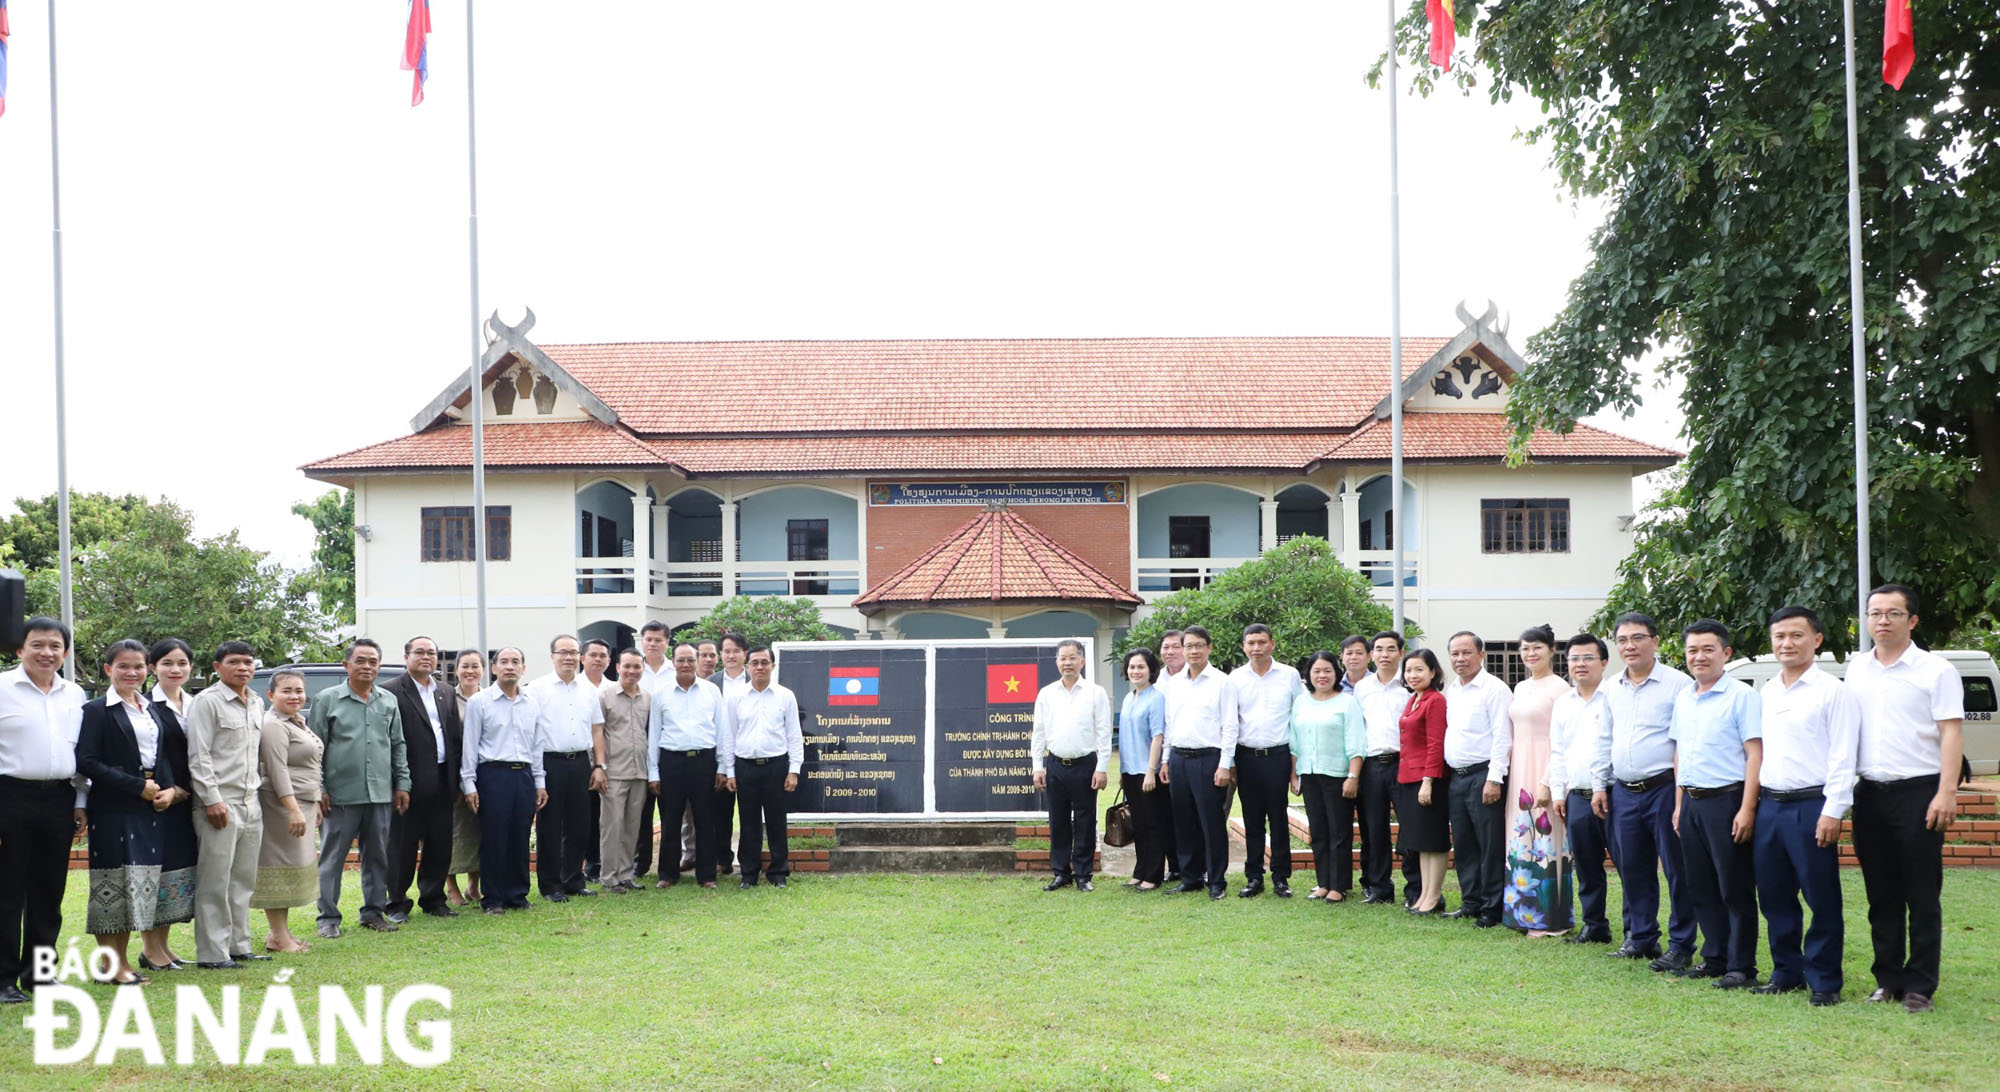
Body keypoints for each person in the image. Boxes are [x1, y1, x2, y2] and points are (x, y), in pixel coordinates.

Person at [1846, 583, 1965, 1013]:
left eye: (1893, 613)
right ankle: (1888, 979)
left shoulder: (1936, 670)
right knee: (1881, 895)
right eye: (1874, 613)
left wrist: (1946, 792)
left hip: (1919, 792)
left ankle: (1920, 986)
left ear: (1911, 620)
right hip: (1870, 794)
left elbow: (1952, 731)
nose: (1882, 621)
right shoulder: (1857, 669)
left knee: (1921, 893)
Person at [1751, 606, 1858, 1007]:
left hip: (1813, 805)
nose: (1787, 643)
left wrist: (1834, 810)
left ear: (1816, 640)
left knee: (1820, 895)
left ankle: (1825, 980)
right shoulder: (1768, 690)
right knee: (1775, 895)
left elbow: (1844, 756)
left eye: (1796, 635)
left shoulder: (1832, 691)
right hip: (1770, 807)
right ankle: (1786, 971)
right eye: (1780, 636)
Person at [1597, 611, 1696, 970]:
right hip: (1623, 790)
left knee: (1677, 869)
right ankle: (1641, 938)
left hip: (1664, 788)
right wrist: (1600, 785)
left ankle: (1682, 943)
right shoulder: (1611, 687)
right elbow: (1604, 738)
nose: (1629, 646)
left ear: (1654, 642)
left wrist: (1681, 794)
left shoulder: (1679, 684)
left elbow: (1686, 741)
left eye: (1637, 638)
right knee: (1632, 867)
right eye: (1622, 640)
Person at [1668, 619, 1764, 988]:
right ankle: (1713, 957)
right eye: (1692, 650)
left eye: (1708, 649)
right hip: (1691, 802)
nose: (1699, 656)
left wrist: (1747, 808)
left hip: (1728, 800)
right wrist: (1678, 805)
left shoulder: (1742, 696)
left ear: (1726, 653)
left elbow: (1754, 753)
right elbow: (1679, 753)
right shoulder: (1684, 697)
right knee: (1701, 886)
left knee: (1734, 888)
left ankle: (1741, 967)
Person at [76, 639, 175, 985]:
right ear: (108, 669)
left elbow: (161, 756)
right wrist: (136, 786)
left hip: (150, 805)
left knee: (136, 886)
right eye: (123, 666)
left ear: (147, 669)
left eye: (138, 666)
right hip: (113, 806)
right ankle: (111, 965)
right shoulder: (97, 710)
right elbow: (86, 761)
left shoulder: (151, 709)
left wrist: (168, 789)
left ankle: (121, 962)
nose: (131, 673)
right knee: (111, 887)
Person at [0, 618, 88, 1002]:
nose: (46, 652)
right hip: (9, 796)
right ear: (20, 649)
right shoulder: (2, 688)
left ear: (65, 653)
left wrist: (81, 802)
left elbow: (81, 755)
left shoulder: (75, 694)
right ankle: (3, 979)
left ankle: (39, 976)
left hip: (59, 799)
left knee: (49, 891)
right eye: (37, 644)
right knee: (7, 892)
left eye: (55, 646)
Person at [309, 638, 411, 938]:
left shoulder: (388, 701)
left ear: (379, 666)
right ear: (346, 665)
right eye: (361, 660)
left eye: (373, 661)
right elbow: (316, 748)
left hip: (380, 792)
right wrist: (320, 788)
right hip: (339, 795)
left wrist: (402, 783)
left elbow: (398, 745)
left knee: (378, 856)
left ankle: (373, 912)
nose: (367, 666)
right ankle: (328, 918)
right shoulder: (327, 699)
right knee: (332, 858)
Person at [185, 640, 267, 968]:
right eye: (234, 662)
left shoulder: (257, 702)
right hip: (220, 804)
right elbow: (199, 754)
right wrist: (212, 799)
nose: (243, 668)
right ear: (217, 667)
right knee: (215, 882)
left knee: (243, 881)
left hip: (251, 802)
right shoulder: (208, 702)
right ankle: (212, 954)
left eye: (248, 662)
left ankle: (239, 946)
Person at [460, 648, 545, 913]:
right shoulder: (480, 701)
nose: (510, 666)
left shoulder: (531, 703)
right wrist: (469, 784)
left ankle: (517, 895)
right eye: (504, 662)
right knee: (495, 838)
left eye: (515, 662)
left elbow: (536, 745)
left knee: (520, 836)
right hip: (492, 775)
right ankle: (493, 898)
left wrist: (539, 782)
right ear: (494, 668)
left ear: (524, 668)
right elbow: (470, 746)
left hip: (524, 776)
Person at [1542, 634, 1614, 944]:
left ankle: (1638, 932)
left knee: (1629, 865)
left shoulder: (1614, 697)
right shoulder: (1563, 704)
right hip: (1576, 796)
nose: (1580, 664)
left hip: (1614, 794)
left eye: (1588, 658)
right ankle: (1594, 925)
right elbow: (1558, 751)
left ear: (1604, 662)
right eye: (1574, 659)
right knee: (1586, 865)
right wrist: (1559, 792)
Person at [1502, 624, 1573, 936]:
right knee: (1521, 838)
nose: (1530, 654)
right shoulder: (1520, 687)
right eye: (1525, 648)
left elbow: (1564, 740)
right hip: (1520, 768)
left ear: (1552, 651)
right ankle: (1522, 914)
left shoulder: (1561, 689)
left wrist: (1548, 781)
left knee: (1545, 841)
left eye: (1537, 648)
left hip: (1544, 768)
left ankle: (1550, 920)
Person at [385, 636, 461, 922]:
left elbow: (453, 737)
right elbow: (389, 742)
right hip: (409, 782)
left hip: (443, 779)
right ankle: (396, 903)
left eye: (432, 652)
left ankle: (433, 899)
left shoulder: (445, 691)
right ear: (406, 657)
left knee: (440, 843)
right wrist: (396, 783)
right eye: (420, 652)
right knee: (402, 845)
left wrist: (456, 781)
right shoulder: (391, 691)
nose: (426, 657)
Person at [1160, 625, 1238, 900]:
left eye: (1198, 645)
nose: (1193, 651)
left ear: (1209, 648)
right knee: (1183, 822)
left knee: (1211, 823)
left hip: (1209, 759)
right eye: (1188, 646)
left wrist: (1224, 764)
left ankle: (1216, 880)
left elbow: (1230, 726)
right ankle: (1190, 877)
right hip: (1179, 758)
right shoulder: (1174, 683)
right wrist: (1166, 760)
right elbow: (1170, 724)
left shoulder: (1221, 681)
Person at [1441, 631, 1513, 927]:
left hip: (1484, 775)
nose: (1460, 659)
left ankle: (1491, 908)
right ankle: (1470, 901)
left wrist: (1494, 779)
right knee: (1465, 844)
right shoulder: (1452, 689)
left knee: (1489, 844)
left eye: (1466, 652)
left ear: (1481, 655)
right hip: (1456, 778)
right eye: (1455, 653)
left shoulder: (1494, 689)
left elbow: (1502, 737)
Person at [1031, 639, 1113, 893]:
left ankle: (1083, 875)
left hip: (1085, 765)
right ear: (1057, 662)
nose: (1067, 663)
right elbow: (1039, 732)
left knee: (1085, 821)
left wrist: (1101, 767)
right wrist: (1037, 766)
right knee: (1058, 821)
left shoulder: (1095, 692)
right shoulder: (1046, 693)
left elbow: (1103, 732)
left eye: (1072, 658)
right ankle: (1060, 873)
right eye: (1063, 658)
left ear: (1082, 661)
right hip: (1055, 765)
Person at [250, 670, 323, 954]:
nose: (294, 696)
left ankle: (281, 934)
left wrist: (313, 803)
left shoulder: (297, 722)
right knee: (278, 868)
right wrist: (293, 809)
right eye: (287, 691)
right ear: (271, 695)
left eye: (299, 691)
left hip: (303, 802)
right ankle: (278, 936)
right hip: (281, 805)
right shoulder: (273, 724)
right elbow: (277, 769)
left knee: (292, 867)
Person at [1229, 623, 1303, 898]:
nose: (1256, 648)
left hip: (1278, 756)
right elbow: (1231, 720)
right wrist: (1231, 762)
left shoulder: (1289, 675)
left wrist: (1295, 768)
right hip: (1246, 756)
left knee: (1278, 817)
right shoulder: (1235, 678)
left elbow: (1297, 719)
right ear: (1244, 646)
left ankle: (1281, 877)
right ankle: (1254, 876)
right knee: (1252, 819)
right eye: (1251, 643)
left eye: (1262, 642)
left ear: (1272, 643)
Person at [721, 646, 803, 889]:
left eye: (764, 662)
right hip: (745, 767)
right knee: (748, 822)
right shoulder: (736, 697)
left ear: (773, 666)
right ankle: (749, 874)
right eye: (754, 663)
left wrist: (794, 769)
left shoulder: (785, 696)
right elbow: (729, 736)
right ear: (747, 666)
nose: (759, 667)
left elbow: (794, 735)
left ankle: (778, 872)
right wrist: (731, 771)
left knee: (777, 821)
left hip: (776, 766)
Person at [530, 635, 605, 901]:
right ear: (552, 656)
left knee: (580, 825)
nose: (569, 657)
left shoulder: (588, 690)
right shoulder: (537, 689)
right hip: (550, 763)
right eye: (563, 652)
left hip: (581, 763)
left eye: (574, 652)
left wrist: (599, 765)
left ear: (580, 657)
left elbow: (597, 728)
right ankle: (550, 885)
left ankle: (574, 879)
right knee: (549, 827)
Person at [139, 637, 199, 971]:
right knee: (157, 873)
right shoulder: (145, 706)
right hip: (158, 801)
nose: (175, 669)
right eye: (167, 663)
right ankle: (150, 948)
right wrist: (171, 789)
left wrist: (186, 789)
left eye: (181, 663)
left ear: (191, 667)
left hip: (189, 800)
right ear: (153, 668)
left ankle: (164, 945)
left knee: (178, 872)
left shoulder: (196, 704)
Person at [649, 643, 726, 890]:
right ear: (673, 662)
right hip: (671, 761)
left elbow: (721, 730)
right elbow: (654, 734)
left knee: (705, 819)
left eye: (690, 660)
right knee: (670, 819)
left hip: (704, 760)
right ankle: (668, 874)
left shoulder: (711, 691)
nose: (685, 665)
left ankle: (706, 875)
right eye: (681, 660)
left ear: (697, 661)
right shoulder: (661, 693)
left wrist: (722, 767)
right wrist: (653, 771)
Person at [1290, 650, 1363, 902]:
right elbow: (1294, 742)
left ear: (1336, 672)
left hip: (1338, 775)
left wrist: (1353, 776)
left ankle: (1339, 885)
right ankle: (1323, 882)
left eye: (1327, 670)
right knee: (1319, 831)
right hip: (1309, 774)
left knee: (1339, 832)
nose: (1322, 675)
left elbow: (1356, 742)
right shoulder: (1301, 702)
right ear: (1309, 674)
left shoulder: (1347, 702)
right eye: (1317, 671)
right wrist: (1294, 774)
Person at [1354, 630, 1414, 906]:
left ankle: (1415, 888)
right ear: (1371, 655)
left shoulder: (1410, 686)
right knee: (1374, 829)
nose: (1384, 655)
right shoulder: (1362, 688)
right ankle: (1380, 887)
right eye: (1379, 649)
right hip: (1372, 766)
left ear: (1401, 653)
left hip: (1405, 765)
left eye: (1391, 649)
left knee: (1411, 827)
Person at [1396, 648, 1451, 915]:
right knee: (1420, 841)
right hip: (1408, 778)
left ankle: (1434, 896)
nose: (1413, 675)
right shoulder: (1414, 700)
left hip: (1428, 780)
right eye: (1408, 670)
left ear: (1433, 672)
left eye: (1419, 669)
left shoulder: (1435, 700)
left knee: (1433, 839)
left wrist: (1428, 780)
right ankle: (1424, 895)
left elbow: (1435, 743)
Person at [596, 649, 654, 893]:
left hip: (639, 772)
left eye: (637, 667)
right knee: (612, 827)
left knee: (633, 826)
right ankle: (609, 877)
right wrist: (599, 767)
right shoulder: (604, 696)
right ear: (617, 667)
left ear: (643, 669)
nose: (632, 671)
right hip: (614, 772)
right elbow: (596, 732)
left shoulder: (648, 698)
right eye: (627, 666)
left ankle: (626, 874)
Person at [1116, 649, 1169, 891]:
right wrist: (1121, 771)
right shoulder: (1129, 698)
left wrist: (1151, 770)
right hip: (1129, 771)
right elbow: (1126, 738)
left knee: (1153, 824)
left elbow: (1158, 736)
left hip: (1148, 772)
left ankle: (1154, 874)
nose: (1135, 671)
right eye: (1132, 667)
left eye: (1141, 667)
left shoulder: (1156, 698)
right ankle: (1140, 871)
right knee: (1138, 823)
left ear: (1151, 670)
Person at [708, 631, 753, 876]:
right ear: (720, 655)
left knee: (748, 812)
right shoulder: (710, 683)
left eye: (736, 651)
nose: (731, 655)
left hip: (748, 756)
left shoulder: (755, 679)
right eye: (726, 651)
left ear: (745, 654)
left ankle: (747, 860)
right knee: (720, 813)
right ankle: (722, 858)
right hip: (718, 758)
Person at [445, 649, 486, 909]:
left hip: (484, 775)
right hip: (453, 776)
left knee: (480, 831)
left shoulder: (490, 697)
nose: (470, 671)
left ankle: (474, 885)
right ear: (456, 669)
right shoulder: (447, 697)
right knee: (452, 832)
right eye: (465, 666)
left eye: (475, 666)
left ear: (484, 669)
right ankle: (451, 886)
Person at [579, 638, 614, 885]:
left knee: (603, 815)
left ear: (609, 661)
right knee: (583, 815)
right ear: (583, 658)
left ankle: (597, 862)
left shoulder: (613, 687)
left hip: (609, 762)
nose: (598, 659)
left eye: (603, 655)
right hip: (580, 760)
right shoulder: (574, 685)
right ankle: (579, 864)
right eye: (593, 655)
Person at [1155, 629, 1186, 882]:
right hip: (1161, 758)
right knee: (1166, 814)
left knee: (1192, 815)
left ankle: (1200, 866)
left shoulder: (1197, 678)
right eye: (1165, 647)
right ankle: (1174, 866)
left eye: (1175, 647)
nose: (1170, 652)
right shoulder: (1156, 682)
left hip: (1187, 753)